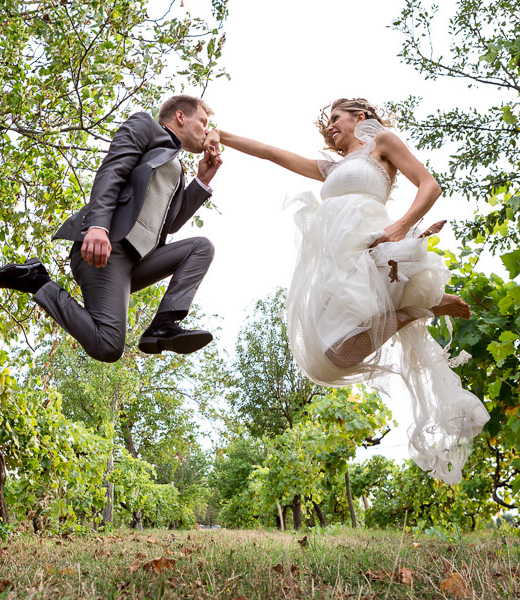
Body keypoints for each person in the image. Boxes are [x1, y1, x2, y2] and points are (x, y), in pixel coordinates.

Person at [208, 98, 489, 483]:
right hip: (335, 263)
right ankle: (419, 309)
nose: (330, 128)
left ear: (361, 117)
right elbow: (272, 153)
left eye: (336, 119)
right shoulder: (333, 167)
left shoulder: (382, 144)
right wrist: (219, 134)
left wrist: (401, 226)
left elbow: (430, 185)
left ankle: (419, 303)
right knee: (333, 355)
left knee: (340, 348)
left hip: (371, 244)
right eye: (327, 124)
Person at [0, 95, 223, 362]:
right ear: (180, 117)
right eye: (203, 122)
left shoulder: (178, 169)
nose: (207, 130)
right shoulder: (146, 126)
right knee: (108, 347)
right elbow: (113, 171)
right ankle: (36, 281)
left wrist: (201, 181)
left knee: (200, 248)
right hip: (108, 247)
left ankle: (163, 324)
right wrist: (97, 227)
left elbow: (171, 223)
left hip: (139, 261)